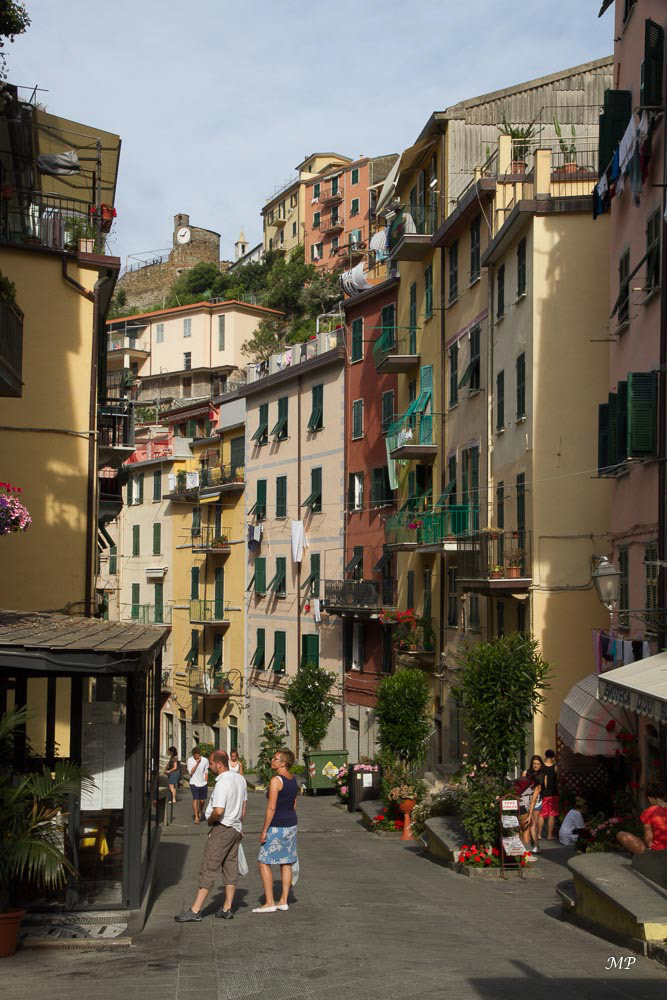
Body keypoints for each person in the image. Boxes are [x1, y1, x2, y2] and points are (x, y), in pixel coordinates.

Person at [175, 749, 248, 922]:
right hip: (235, 827)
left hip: (222, 827)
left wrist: (210, 821)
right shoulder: (240, 779)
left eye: (213, 764)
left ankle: (195, 910)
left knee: (210, 866)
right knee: (230, 866)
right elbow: (244, 808)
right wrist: (237, 822)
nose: (211, 766)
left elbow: (219, 810)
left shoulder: (223, 783)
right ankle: (227, 907)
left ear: (220, 764)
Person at [254, 748, 298, 913]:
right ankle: (284, 900)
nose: (272, 761)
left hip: (277, 825)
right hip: (291, 823)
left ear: (283, 763)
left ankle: (270, 902)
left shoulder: (276, 780)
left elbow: (271, 808)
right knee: (286, 861)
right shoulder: (293, 779)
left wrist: (264, 830)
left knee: (263, 861)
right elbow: (294, 803)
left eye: (275, 759)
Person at [616, 782, 667, 855]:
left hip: (657, 853)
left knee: (621, 834)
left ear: (650, 798)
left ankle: (645, 857)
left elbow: (648, 842)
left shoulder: (650, 811)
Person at [518, 755, 545, 852]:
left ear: (541, 765)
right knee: (527, 824)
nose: (536, 766)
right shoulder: (526, 773)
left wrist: (530, 813)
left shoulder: (541, 776)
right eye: (534, 763)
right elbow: (520, 787)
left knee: (533, 823)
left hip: (536, 802)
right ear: (531, 763)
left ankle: (536, 845)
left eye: (538, 764)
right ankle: (530, 846)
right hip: (526, 801)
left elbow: (536, 796)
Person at [538, 749, 559, 842]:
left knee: (542, 815)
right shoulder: (555, 767)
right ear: (553, 757)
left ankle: (538, 834)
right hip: (553, 793)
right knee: (552, 815)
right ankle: (549, 835)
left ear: (545, 755)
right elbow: (559, 780)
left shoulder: (541, 767)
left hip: (544, 794)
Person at [187, 746, 209, 824]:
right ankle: (196, 816)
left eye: (198, 755)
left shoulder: (205, 760)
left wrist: (206, 782)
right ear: (193, 755)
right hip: (194, 783)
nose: (197, 756)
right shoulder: (190, 760)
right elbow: (190, 772)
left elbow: (206, 771)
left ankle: (200, 811)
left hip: (203, 783)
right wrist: (197, 764)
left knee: (202, 801)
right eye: (195, 755)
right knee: (195, 799)